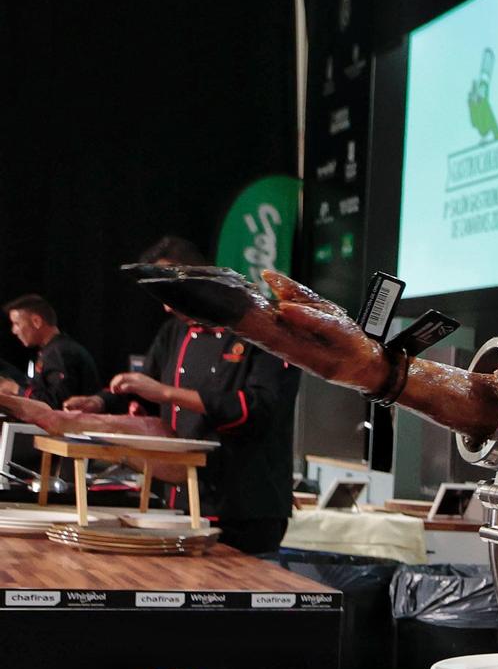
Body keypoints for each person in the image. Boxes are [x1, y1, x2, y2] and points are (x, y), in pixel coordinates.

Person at [64, 237, 300, 554]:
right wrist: (100, 402)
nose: (166, 306)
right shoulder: (174, 332)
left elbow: (257, 410)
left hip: (245, 506)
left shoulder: (265, 330)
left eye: (171, 294)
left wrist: (166, 393)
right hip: (181, 500)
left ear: (198, 279)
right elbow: (143, 386)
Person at [4, 294, 102, 407]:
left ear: (36, 321)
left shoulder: (59, 353)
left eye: (17, 323)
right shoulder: (54, 350)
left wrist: (15, 389)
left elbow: (58, 403)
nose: (14, 331)